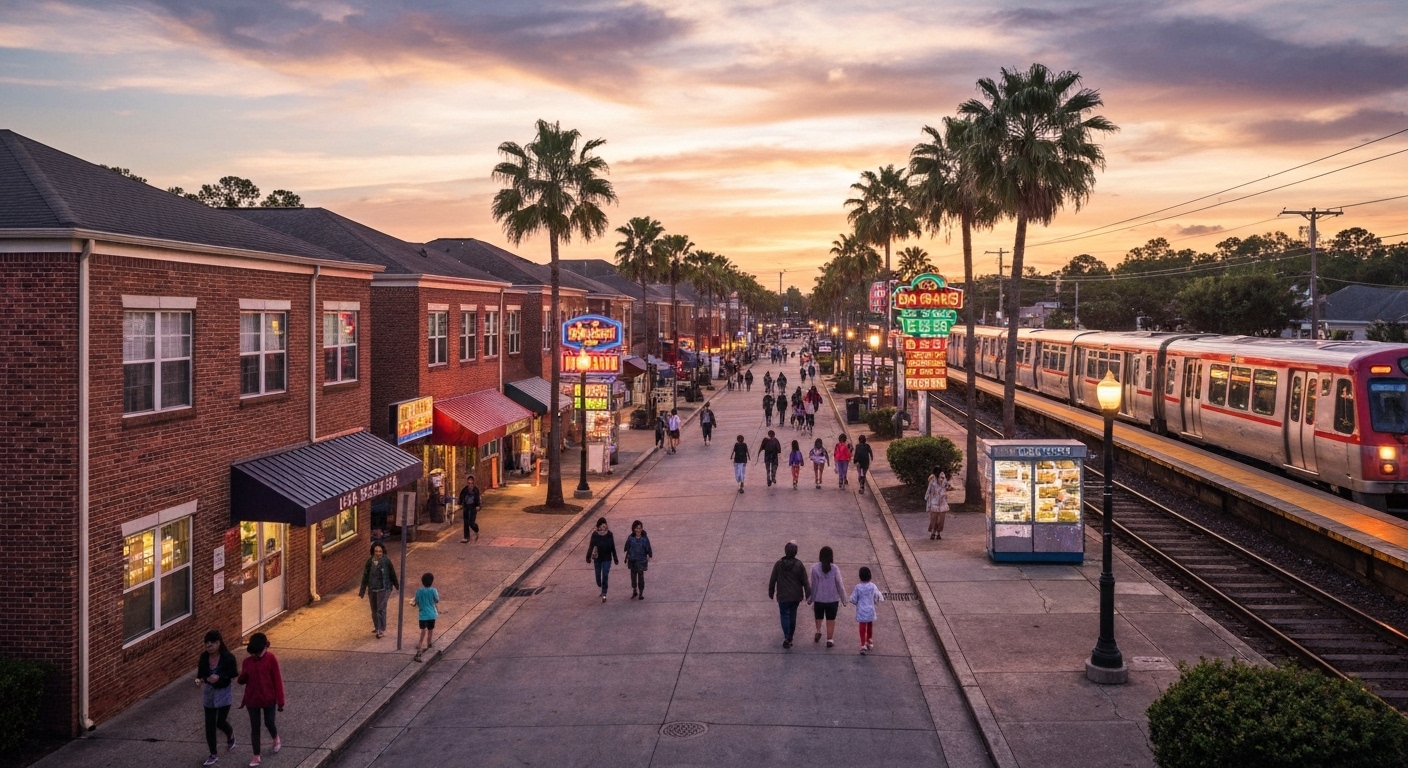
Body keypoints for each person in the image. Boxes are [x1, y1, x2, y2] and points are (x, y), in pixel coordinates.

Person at [237, 632, 284, 766]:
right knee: (255, 727)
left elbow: (277, 680)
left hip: (268, 698)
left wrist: (280, 701)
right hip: (252, 700)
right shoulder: (247, 662)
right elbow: (242, 680)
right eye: (252, 653)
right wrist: (242, 676)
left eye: (256, 653)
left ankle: (275, 737)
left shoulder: (271, 659)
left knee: (269, 722)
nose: (254, 656)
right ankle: (256, 755)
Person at [196, 630, 238, 766]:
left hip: (223, 693)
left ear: (218, 643)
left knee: (220, 722)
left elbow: (233, 673)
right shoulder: (204, 657)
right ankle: (213, 754)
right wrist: (200, 680)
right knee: (209, 725)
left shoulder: (228, 658)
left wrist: (219, 677)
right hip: (209, 693)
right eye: (206, 643)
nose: (209, 646)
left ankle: (230, 733)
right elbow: (200, 673)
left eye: (212, 643)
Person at [767, 541, 811, 649]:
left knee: (784, 615)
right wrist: (808, 594)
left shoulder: (779, 564)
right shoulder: (799, 565)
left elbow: (773, 579)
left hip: (782, 595)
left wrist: (771, 591)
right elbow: (805, 580)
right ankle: (790, 635)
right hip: (795, 596)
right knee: (793, 615)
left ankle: (787, 636)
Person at [358, 542, 399, 639]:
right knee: (374, 610)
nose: (378, 553)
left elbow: (392, 573)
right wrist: (362, 590)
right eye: (376, 551)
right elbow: (365, 575)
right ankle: (377, 627)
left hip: (384, 589)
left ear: (383, 552)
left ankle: (381, 629)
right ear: (373, 552)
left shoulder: (386, 561)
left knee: (380, 609)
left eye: (380, 551)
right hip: (372, 588)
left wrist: (396, 585)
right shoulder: (369, 562)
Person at [808, 547, 846, 648]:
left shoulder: (815, 568)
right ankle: (829, 639)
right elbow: (839, 584)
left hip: (819, 598)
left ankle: (818, 631)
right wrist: (844, 599)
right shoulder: (835, 568)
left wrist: (811, 598)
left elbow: (814, 585)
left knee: (818, 616)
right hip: (832, 599)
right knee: (830, 619)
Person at [849, 567, 884, 654]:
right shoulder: (873, 586)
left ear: (860, 576)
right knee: (870, 625)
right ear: (870, 576)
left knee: (862, 626)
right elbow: (878, 596)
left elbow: (853, 599)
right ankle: (869, 640)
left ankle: (863, 644)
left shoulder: (858, 587)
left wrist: (856, 602)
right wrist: (875, 602)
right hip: (870, 609)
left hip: (861, 610)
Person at [586, 517, 618, 602]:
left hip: (607, 558)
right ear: (599, 527)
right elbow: (591, 546)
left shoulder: (609, 534)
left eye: (605, 526)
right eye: (602, 526)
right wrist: (588, 556)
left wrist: (615, 557)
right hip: (597, 558)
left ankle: (604, 593)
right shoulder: (595, 535)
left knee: (605, 574)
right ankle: (599, 584)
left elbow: (612, 546)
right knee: (598, 575)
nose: (604, 528)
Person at [411, 572, 440, 663]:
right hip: (431, 614)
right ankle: (429, 643)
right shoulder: (433, 590)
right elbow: (437, 600)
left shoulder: (419, 591)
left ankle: (420, 644)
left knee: (423, 630)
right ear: (431, 581)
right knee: (430, 629)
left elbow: (416, 602)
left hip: (422, 614)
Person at [624, 520, 653, 600]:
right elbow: (626, 547)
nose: (638, 530)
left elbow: (648, 547)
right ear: (633, 529)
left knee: (640, 577)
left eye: (640, 528)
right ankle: (634, 589)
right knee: (633, 577)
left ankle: (641, 593)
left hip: (641, 560)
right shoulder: (631, 538)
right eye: (636, 528)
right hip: (632, 560)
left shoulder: (644, 538)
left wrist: (650, 555)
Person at [926, 466, 951, 540]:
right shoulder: (932, 482)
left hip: (942, 502)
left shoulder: (944, 480)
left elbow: (948, 486)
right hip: (934, 502)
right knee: (934, 519)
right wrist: (928, 503)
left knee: (941, 519)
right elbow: (928, 492)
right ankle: (933, 532)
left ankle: (938, 533)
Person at [458, 475, 481, 543]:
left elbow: (478, 499)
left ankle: (476, 530)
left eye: (471, 483)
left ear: (473, 483)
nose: (470, 485)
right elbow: (461, 496)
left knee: (471, 522)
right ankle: (466, 537)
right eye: (469, 483)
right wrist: (460, 502)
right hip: (466, 507)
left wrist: (478, 505)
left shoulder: (476, 490)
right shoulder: (465, 490)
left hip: (473, 508)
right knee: (466, 522)